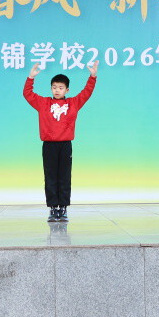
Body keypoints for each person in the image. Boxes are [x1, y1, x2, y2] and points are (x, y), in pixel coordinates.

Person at [23, 61, 98, 222]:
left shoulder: (73, 103)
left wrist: (92, 76)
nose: (57, 90)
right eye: (54, 87)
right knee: (50, 176)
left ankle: (63, 208)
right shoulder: (43, 103)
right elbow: (28, 94)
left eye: (61, 87)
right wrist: (30, 78)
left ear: (67, 90)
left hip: (65, 145)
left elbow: (86, 93)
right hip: (49, 145)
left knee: (64, 177)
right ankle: (52, 208)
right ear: (51, 88)